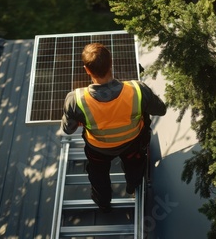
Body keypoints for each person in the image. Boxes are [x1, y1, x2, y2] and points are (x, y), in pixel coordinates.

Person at [61, 43, 167, 213]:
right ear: (111, 64)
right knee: (134, 167)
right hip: (132, 144)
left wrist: (80, 119)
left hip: (98, 150)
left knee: (98, 175)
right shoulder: (137, 90)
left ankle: (103, 202)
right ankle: (133, 187)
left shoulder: (76, 100)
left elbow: (68, 129)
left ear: (87, 70)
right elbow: (161, 110)